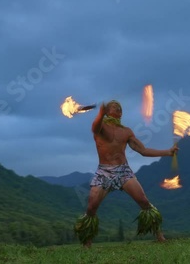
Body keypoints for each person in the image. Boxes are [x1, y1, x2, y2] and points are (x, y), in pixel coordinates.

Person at [74, 100, 178, 248]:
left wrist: (167, 152)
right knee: (91, 208)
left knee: (144, 202)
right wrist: (100, 114)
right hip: (104, 171)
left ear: (121, 113)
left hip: (123, 171)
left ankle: (159, 236)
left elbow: (143, 150)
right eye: (113, 106)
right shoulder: (100, 127)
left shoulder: (126, 132)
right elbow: (95, 127)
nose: (117, 107)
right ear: (107, 111)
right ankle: (87, 242)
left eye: (119, 107)